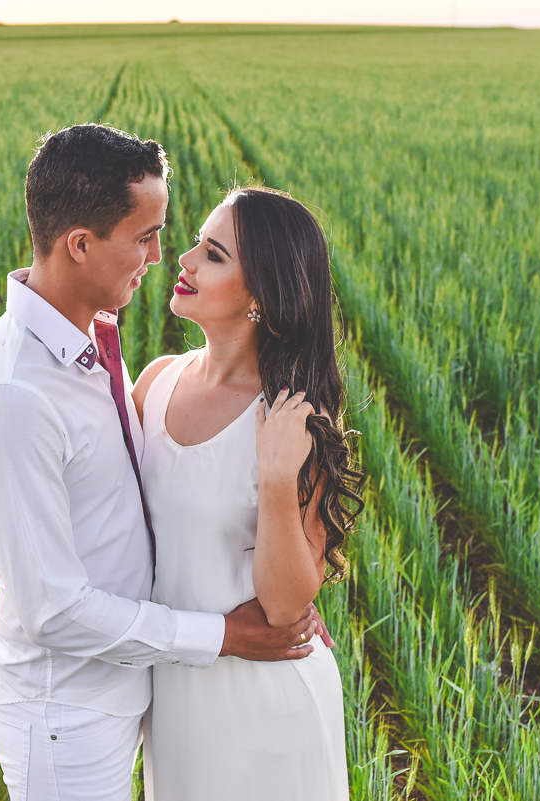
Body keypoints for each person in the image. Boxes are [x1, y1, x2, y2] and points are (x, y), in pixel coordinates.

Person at [0, 124, 326, 801]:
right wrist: (5, 536)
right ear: (81, 245)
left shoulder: (96, 348)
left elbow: (94, 476)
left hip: (197, 689)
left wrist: (7, 529)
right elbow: (54, 602)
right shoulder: (58, 385)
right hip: (93, 700)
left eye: (205, 249)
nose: (165, 255)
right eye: (147, 236)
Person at [131, 186, 363, 799]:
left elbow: (287, 608)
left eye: (212, 254)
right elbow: (87, 496)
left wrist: (277, 477)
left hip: (267, 703)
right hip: (177, 696)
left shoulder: (291, 418)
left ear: (260, 293)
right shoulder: (155, 383)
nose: (182, 260)